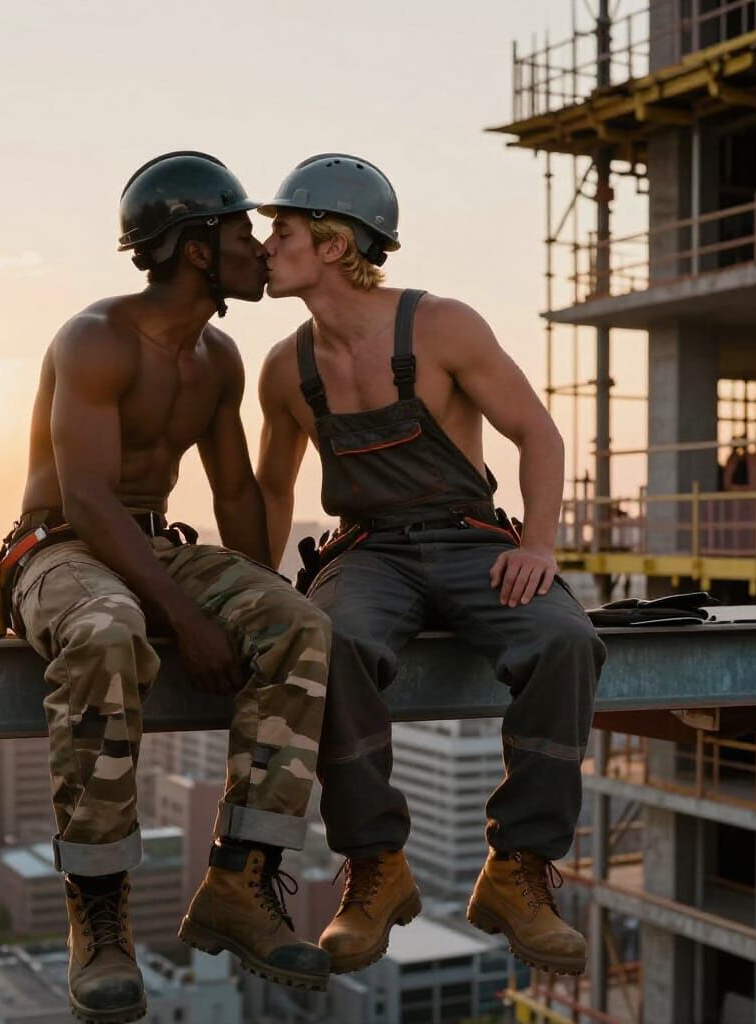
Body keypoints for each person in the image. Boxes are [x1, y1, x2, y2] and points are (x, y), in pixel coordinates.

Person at [255, 153, 606, 978]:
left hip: (472, 538)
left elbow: (538, 434)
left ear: (336, 245)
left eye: (284, 229)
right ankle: (376, 869)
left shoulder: (441, 325)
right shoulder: (285, 370)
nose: (267, 244)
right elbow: (271, 490)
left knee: (565, 640)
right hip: (370, 551)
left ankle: (518, 872)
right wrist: (254, 583)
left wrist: (539, 545)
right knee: (326, 640)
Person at [5, 152, 332, 1022]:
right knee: (110, 628)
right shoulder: (95, 340)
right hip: (60, 550)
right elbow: (88, 500)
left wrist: (256, 602)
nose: (259, 248)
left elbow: (232, 494)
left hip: (152, 544)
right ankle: (99, 913)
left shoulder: (218, 357)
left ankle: (241, 880)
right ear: (195, 250)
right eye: (238, 233)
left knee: (299, 624)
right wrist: (186, 620)